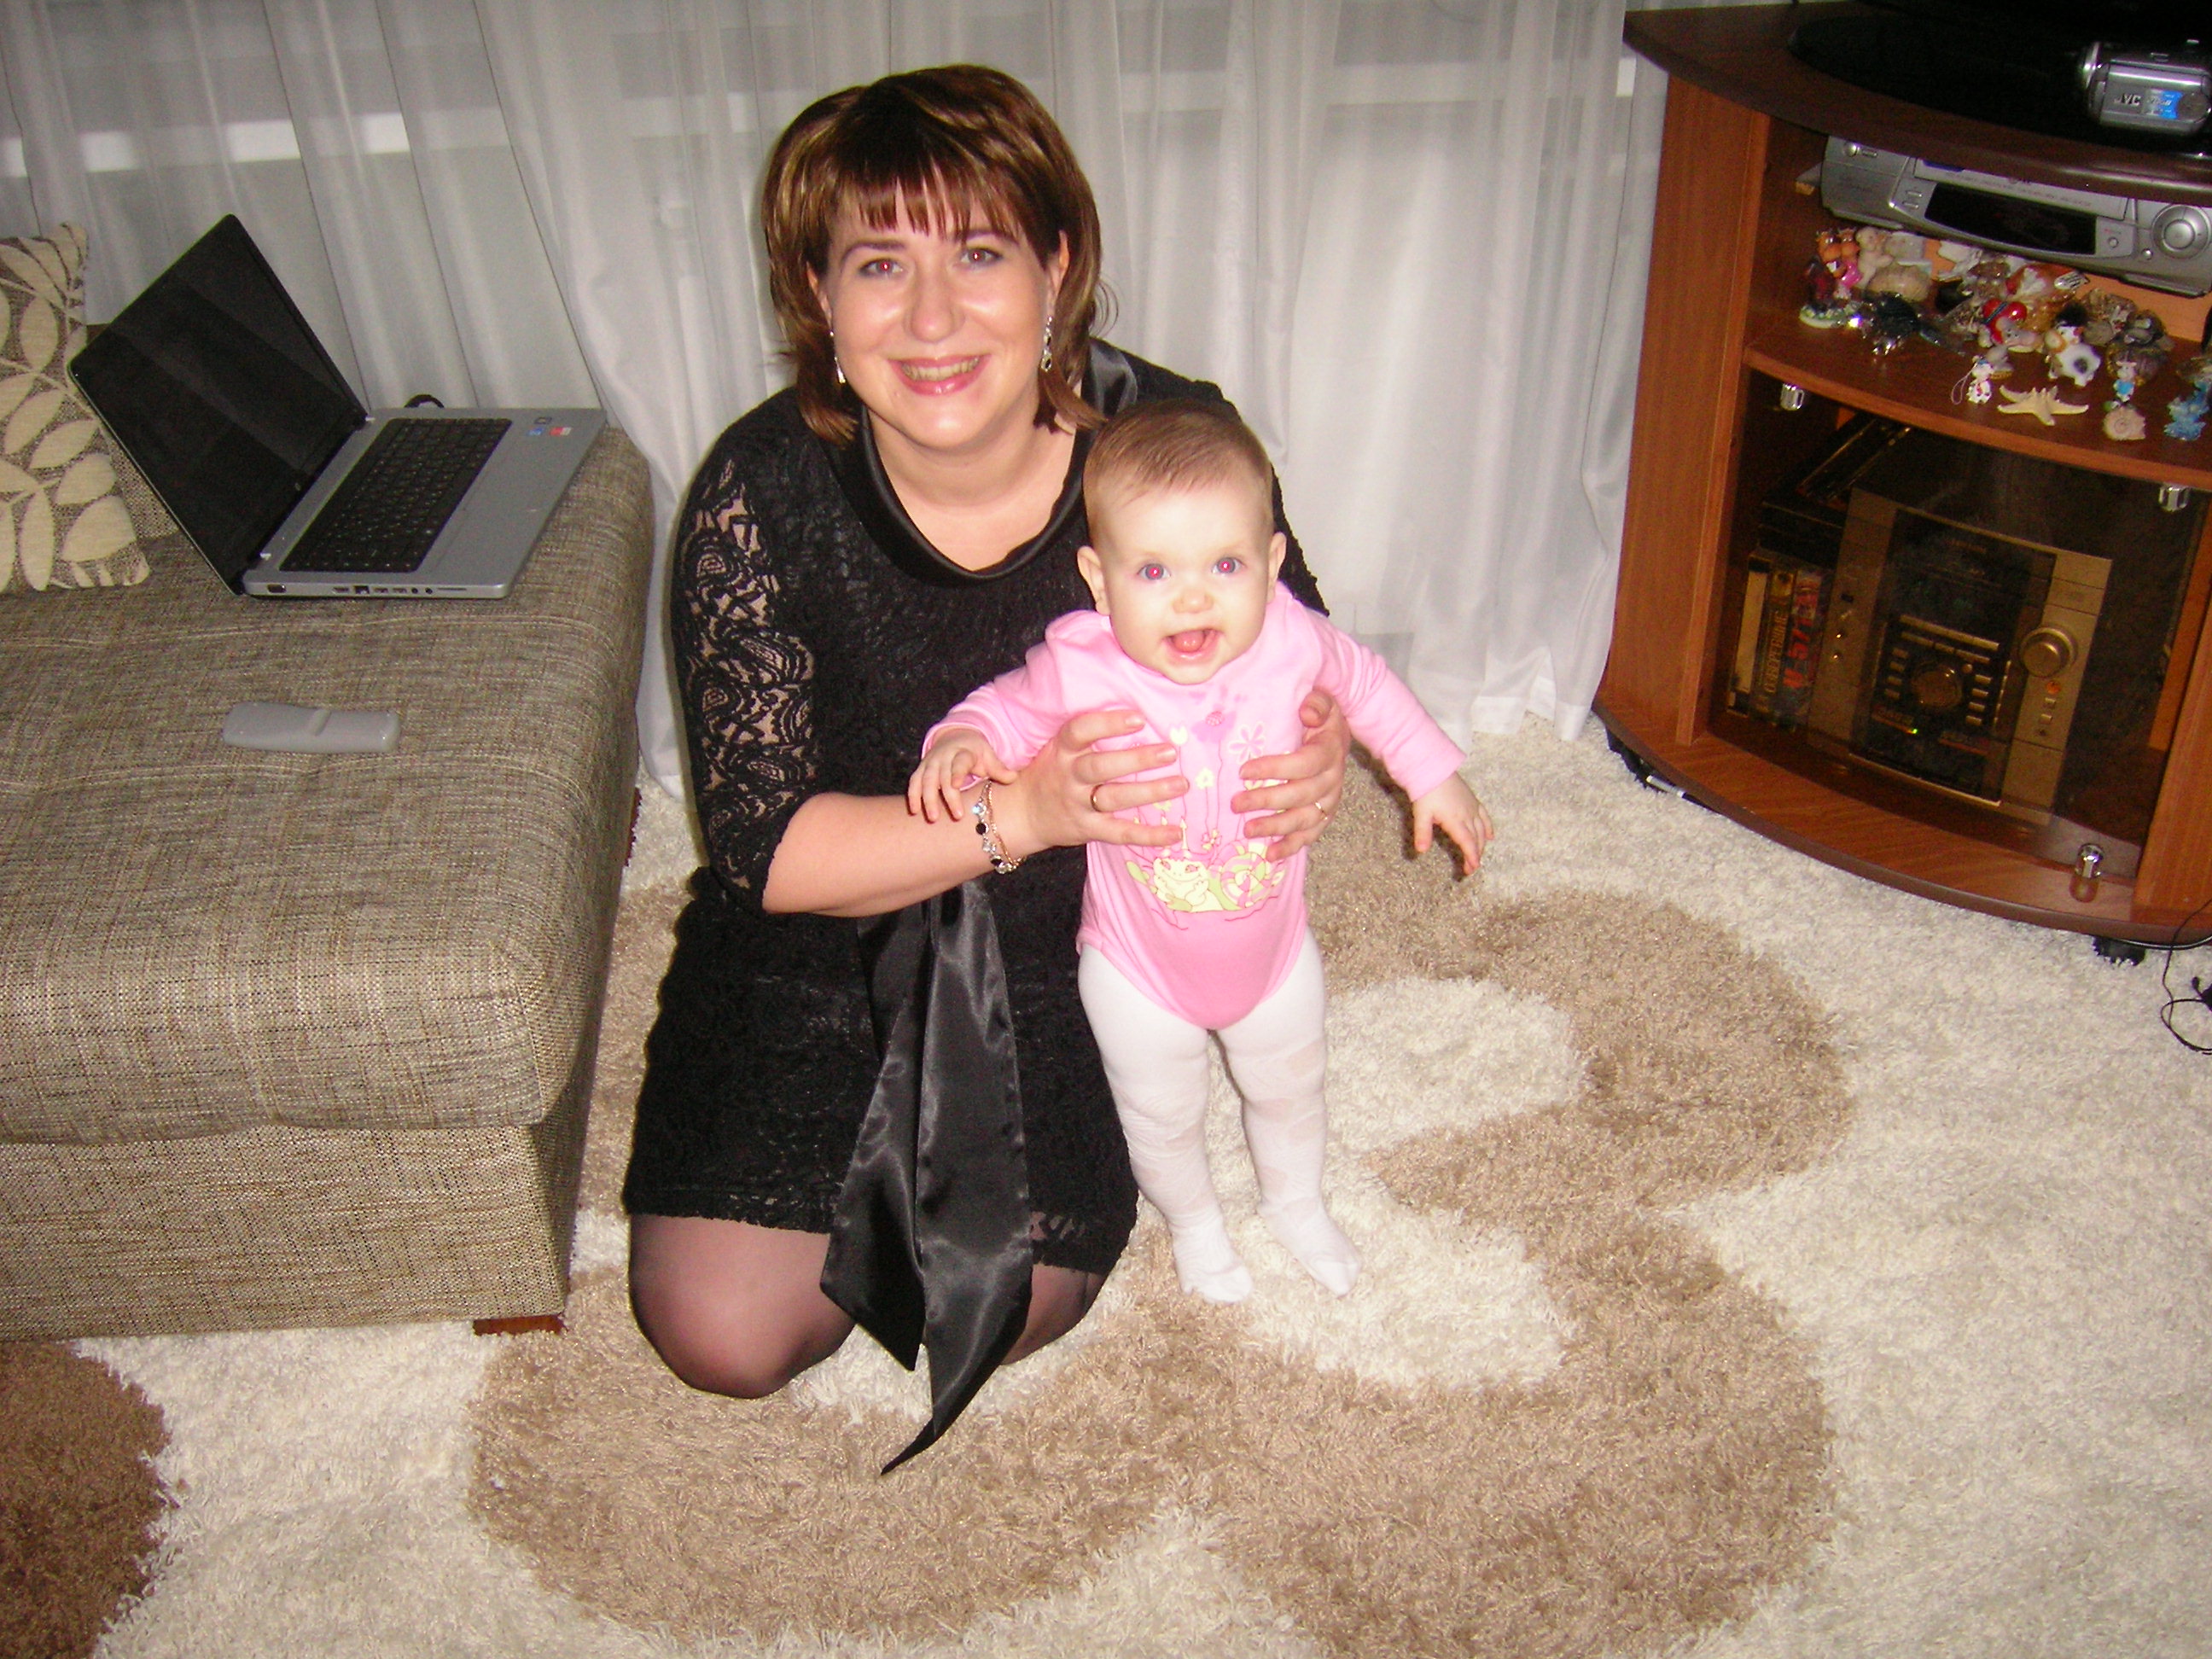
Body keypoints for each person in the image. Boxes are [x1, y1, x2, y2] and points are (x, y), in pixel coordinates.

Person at [621, 63, 1354, 1408]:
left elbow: (1295, 643)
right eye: (879, 265)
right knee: (723, 1337)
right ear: (818, 297)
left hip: (1079, 934)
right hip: (829, 923)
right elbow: (763, 850)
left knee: (995, 1305)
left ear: (1057, 268)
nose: (934, 317)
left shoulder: (1168, 436)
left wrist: (1319, 752)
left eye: (979, 253)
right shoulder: (758, 489)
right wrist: (1019, 812)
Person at [910, 400, 1492, 1305]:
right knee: (1161, 1115)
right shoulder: (1082, 666)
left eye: (1225, 565)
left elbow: (1369, 685)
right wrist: (960, 742)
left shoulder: (1293, 640)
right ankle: (1195, 1224)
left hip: (1274, 951)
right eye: (1154, 570)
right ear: (1100, 582)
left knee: (1293, 1086)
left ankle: (1296, 1201)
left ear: (1271, 562)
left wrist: (1433, 774)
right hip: (1137, 970)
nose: (1192, 597)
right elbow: (1003, 708)